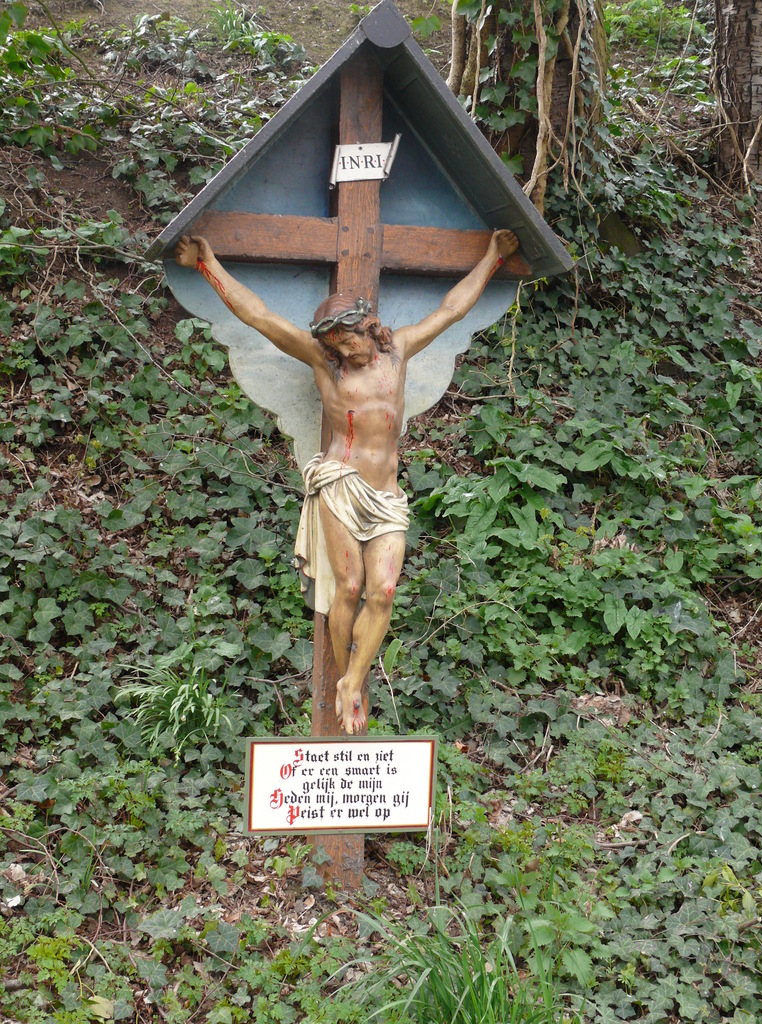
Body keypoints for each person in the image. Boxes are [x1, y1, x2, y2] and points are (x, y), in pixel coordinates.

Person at [174, 229, 519, 734]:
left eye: (350, 339)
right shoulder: (326, 363)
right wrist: (208, 264)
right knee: (350, 586)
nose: (345, 350)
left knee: (383, 590)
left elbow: (451, 310)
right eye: (334, 343)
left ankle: (352, 680)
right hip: (340, 483)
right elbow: (260, 317)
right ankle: (346, 677)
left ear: (369, 326)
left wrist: (492, 258)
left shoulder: (399, 351)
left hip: (386, 496)